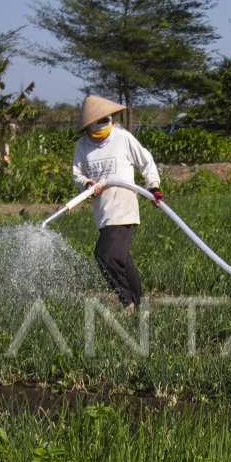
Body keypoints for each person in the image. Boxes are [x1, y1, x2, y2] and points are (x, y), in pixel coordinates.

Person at [71, 94, 164, 314]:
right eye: (98, 122)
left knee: (103, 255)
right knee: (121, 259)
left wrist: (154, 187)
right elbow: (77, 174)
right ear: (88, 125)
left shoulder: (123, 138)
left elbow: (145, 161)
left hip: (124, 207)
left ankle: (127, 302)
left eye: (106, 120)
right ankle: (141, 305)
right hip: (102, 211)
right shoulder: (82, 146)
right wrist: (87, 184)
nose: (102, 125)